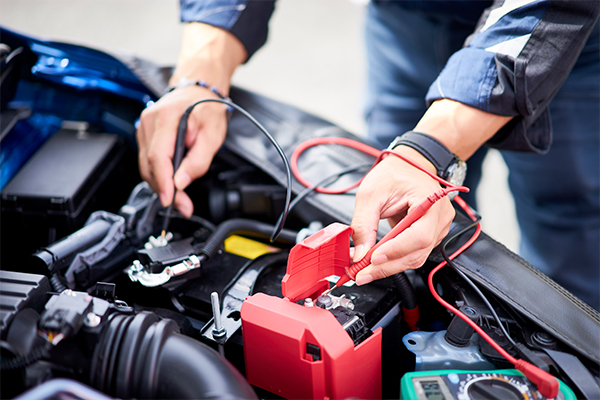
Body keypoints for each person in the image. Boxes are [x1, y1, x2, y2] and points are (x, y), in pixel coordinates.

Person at [136, 0, 600, 310]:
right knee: (396, 221)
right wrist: (199, 79)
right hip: (404, 19)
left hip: (560, 40)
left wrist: (429, 148)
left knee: (569, 225)